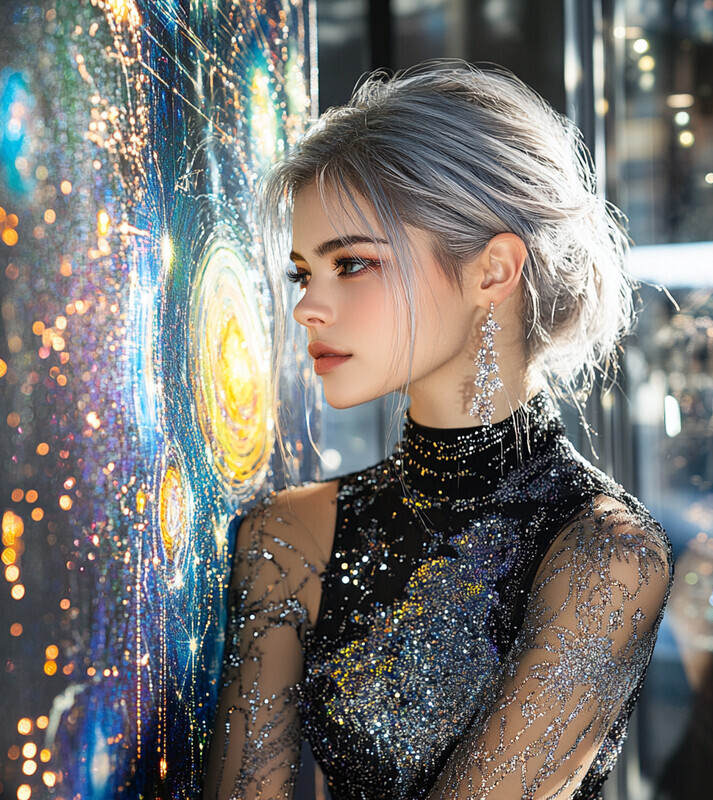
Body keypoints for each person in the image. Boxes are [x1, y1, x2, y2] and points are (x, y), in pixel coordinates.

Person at [203, 61, 674, 800]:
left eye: (352, 264)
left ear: (493, 271)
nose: (308, 309)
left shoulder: (608, 555)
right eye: (303, 274)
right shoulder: (285, 535)